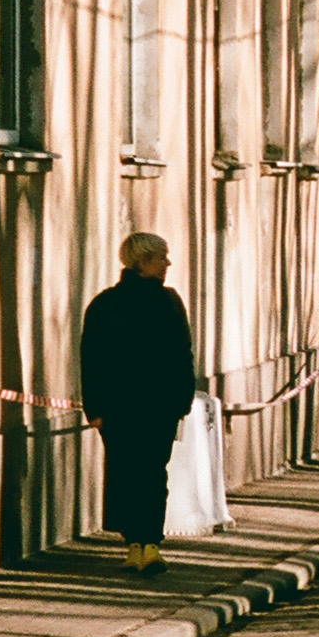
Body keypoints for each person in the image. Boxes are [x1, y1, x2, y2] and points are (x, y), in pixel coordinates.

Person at [80, 231, 197, 575]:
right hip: (119, 407)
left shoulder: (169, 301)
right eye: (161, 257)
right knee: (126, 473)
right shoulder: (106, 304)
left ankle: (150, 544)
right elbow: (92, 358)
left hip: (159, 406)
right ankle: (134, 543)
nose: (167, 264)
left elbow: (182, 353)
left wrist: (182, 398)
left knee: (150, 472)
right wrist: (95, 408)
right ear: (142, 261)